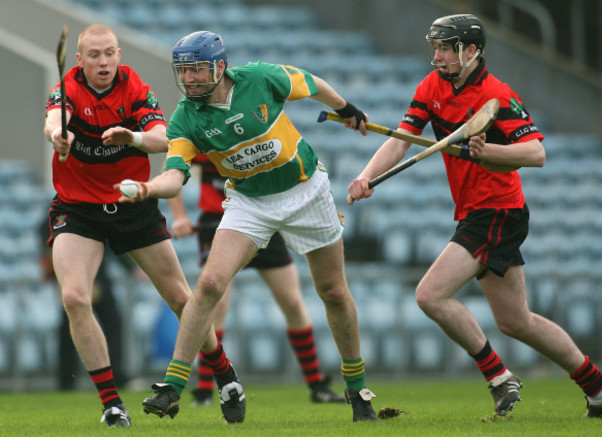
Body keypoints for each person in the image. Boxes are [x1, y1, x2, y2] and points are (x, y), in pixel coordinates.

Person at [348, 13, 602, 418]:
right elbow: (402, 138)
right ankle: (600, 387)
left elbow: (536, 153)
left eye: (446, 48)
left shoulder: (497, 94)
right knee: (517, 321)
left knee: (430, 294)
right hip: (477, 212)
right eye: (436, 47)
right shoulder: (432, 86)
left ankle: (499, 377)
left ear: (471, 51)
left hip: (498, 211)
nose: (438, 55)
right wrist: (366, 175)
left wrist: (488, 152)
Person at [123, 30, 377, 422]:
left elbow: (310, 83)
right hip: (249, 203)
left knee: (333, 292)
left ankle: (357, 388)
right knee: (208, 285)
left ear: (220, 66)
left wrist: (345, 109)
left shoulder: (259, 77)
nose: (188, 79)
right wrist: (147, 189)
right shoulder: (186, 118)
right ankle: (173, 387)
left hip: (306, 190)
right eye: (183, 72)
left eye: (196, 70)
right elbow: (174, 175)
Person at [44, 24, 241, 428]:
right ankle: (112, 404)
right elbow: (52, 120)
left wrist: (131, 138)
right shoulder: (67, 88)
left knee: (184, 301)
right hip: (78, 209)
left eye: (109, 53)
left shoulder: (134, 88)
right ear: (79, 60)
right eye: (94, 55)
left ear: (119, 54)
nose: (103, 62)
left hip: (131, 202)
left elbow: (163, 137)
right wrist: (57, 137)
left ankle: (224, 375)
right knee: (76, 299)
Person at [167, 155, 346, 405]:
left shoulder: (256, 135)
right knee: (216, 305)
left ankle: (317, 385)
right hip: (218, 224)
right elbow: (173, 171)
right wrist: (179, 217)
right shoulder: (205, 137)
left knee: (293, 303)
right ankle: (205, 390)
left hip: (263, 218)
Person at [39, 216, 128, 391]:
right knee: (70, 328)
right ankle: (66, 380)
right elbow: (45, 229)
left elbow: (114, 240)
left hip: (98, 277)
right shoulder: (63, 207)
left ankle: (116, 375)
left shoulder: (97, 208)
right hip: (72, 275)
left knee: (111, 324)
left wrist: (131, 267)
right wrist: (50, 254)